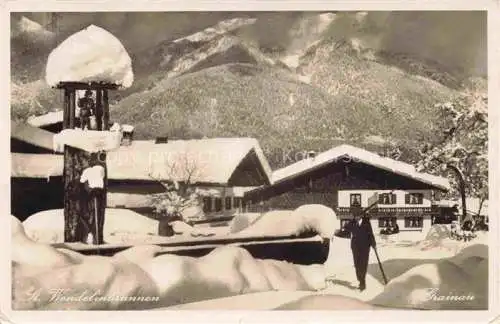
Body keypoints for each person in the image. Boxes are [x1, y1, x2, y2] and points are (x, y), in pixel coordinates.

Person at [344, 202, 376, 291]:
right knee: (357, 264)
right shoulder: (351, 223)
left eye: (357, 215)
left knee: (363, 264)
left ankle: (362, 282)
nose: (356, 217)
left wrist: (373, 243)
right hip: (355, 247)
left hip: (365, 246)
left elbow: (370, 233)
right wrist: (334, 232)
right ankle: (360, 278)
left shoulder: (366, 222)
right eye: (354, 215)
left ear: (361, 215)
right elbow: (345, 232)